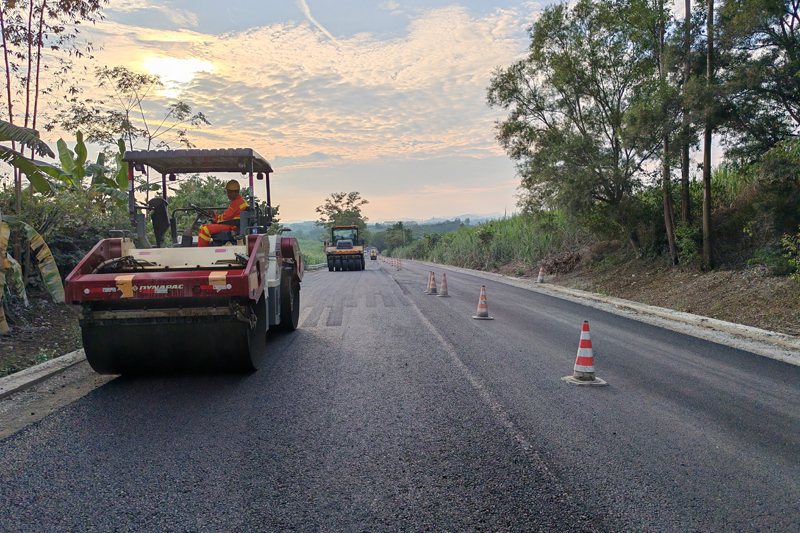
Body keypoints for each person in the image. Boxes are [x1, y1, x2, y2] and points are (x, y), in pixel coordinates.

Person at [197, 180, 248, 247]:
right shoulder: (240, 201)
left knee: (204, 229)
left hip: (231, 227)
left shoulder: (236, 203)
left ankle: (201, 250)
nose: (228, 194)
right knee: (203, 227)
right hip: (233, 225)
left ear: (236, 192)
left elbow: (225, 217)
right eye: (227, 192)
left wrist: (215, 216)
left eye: (230, 192)